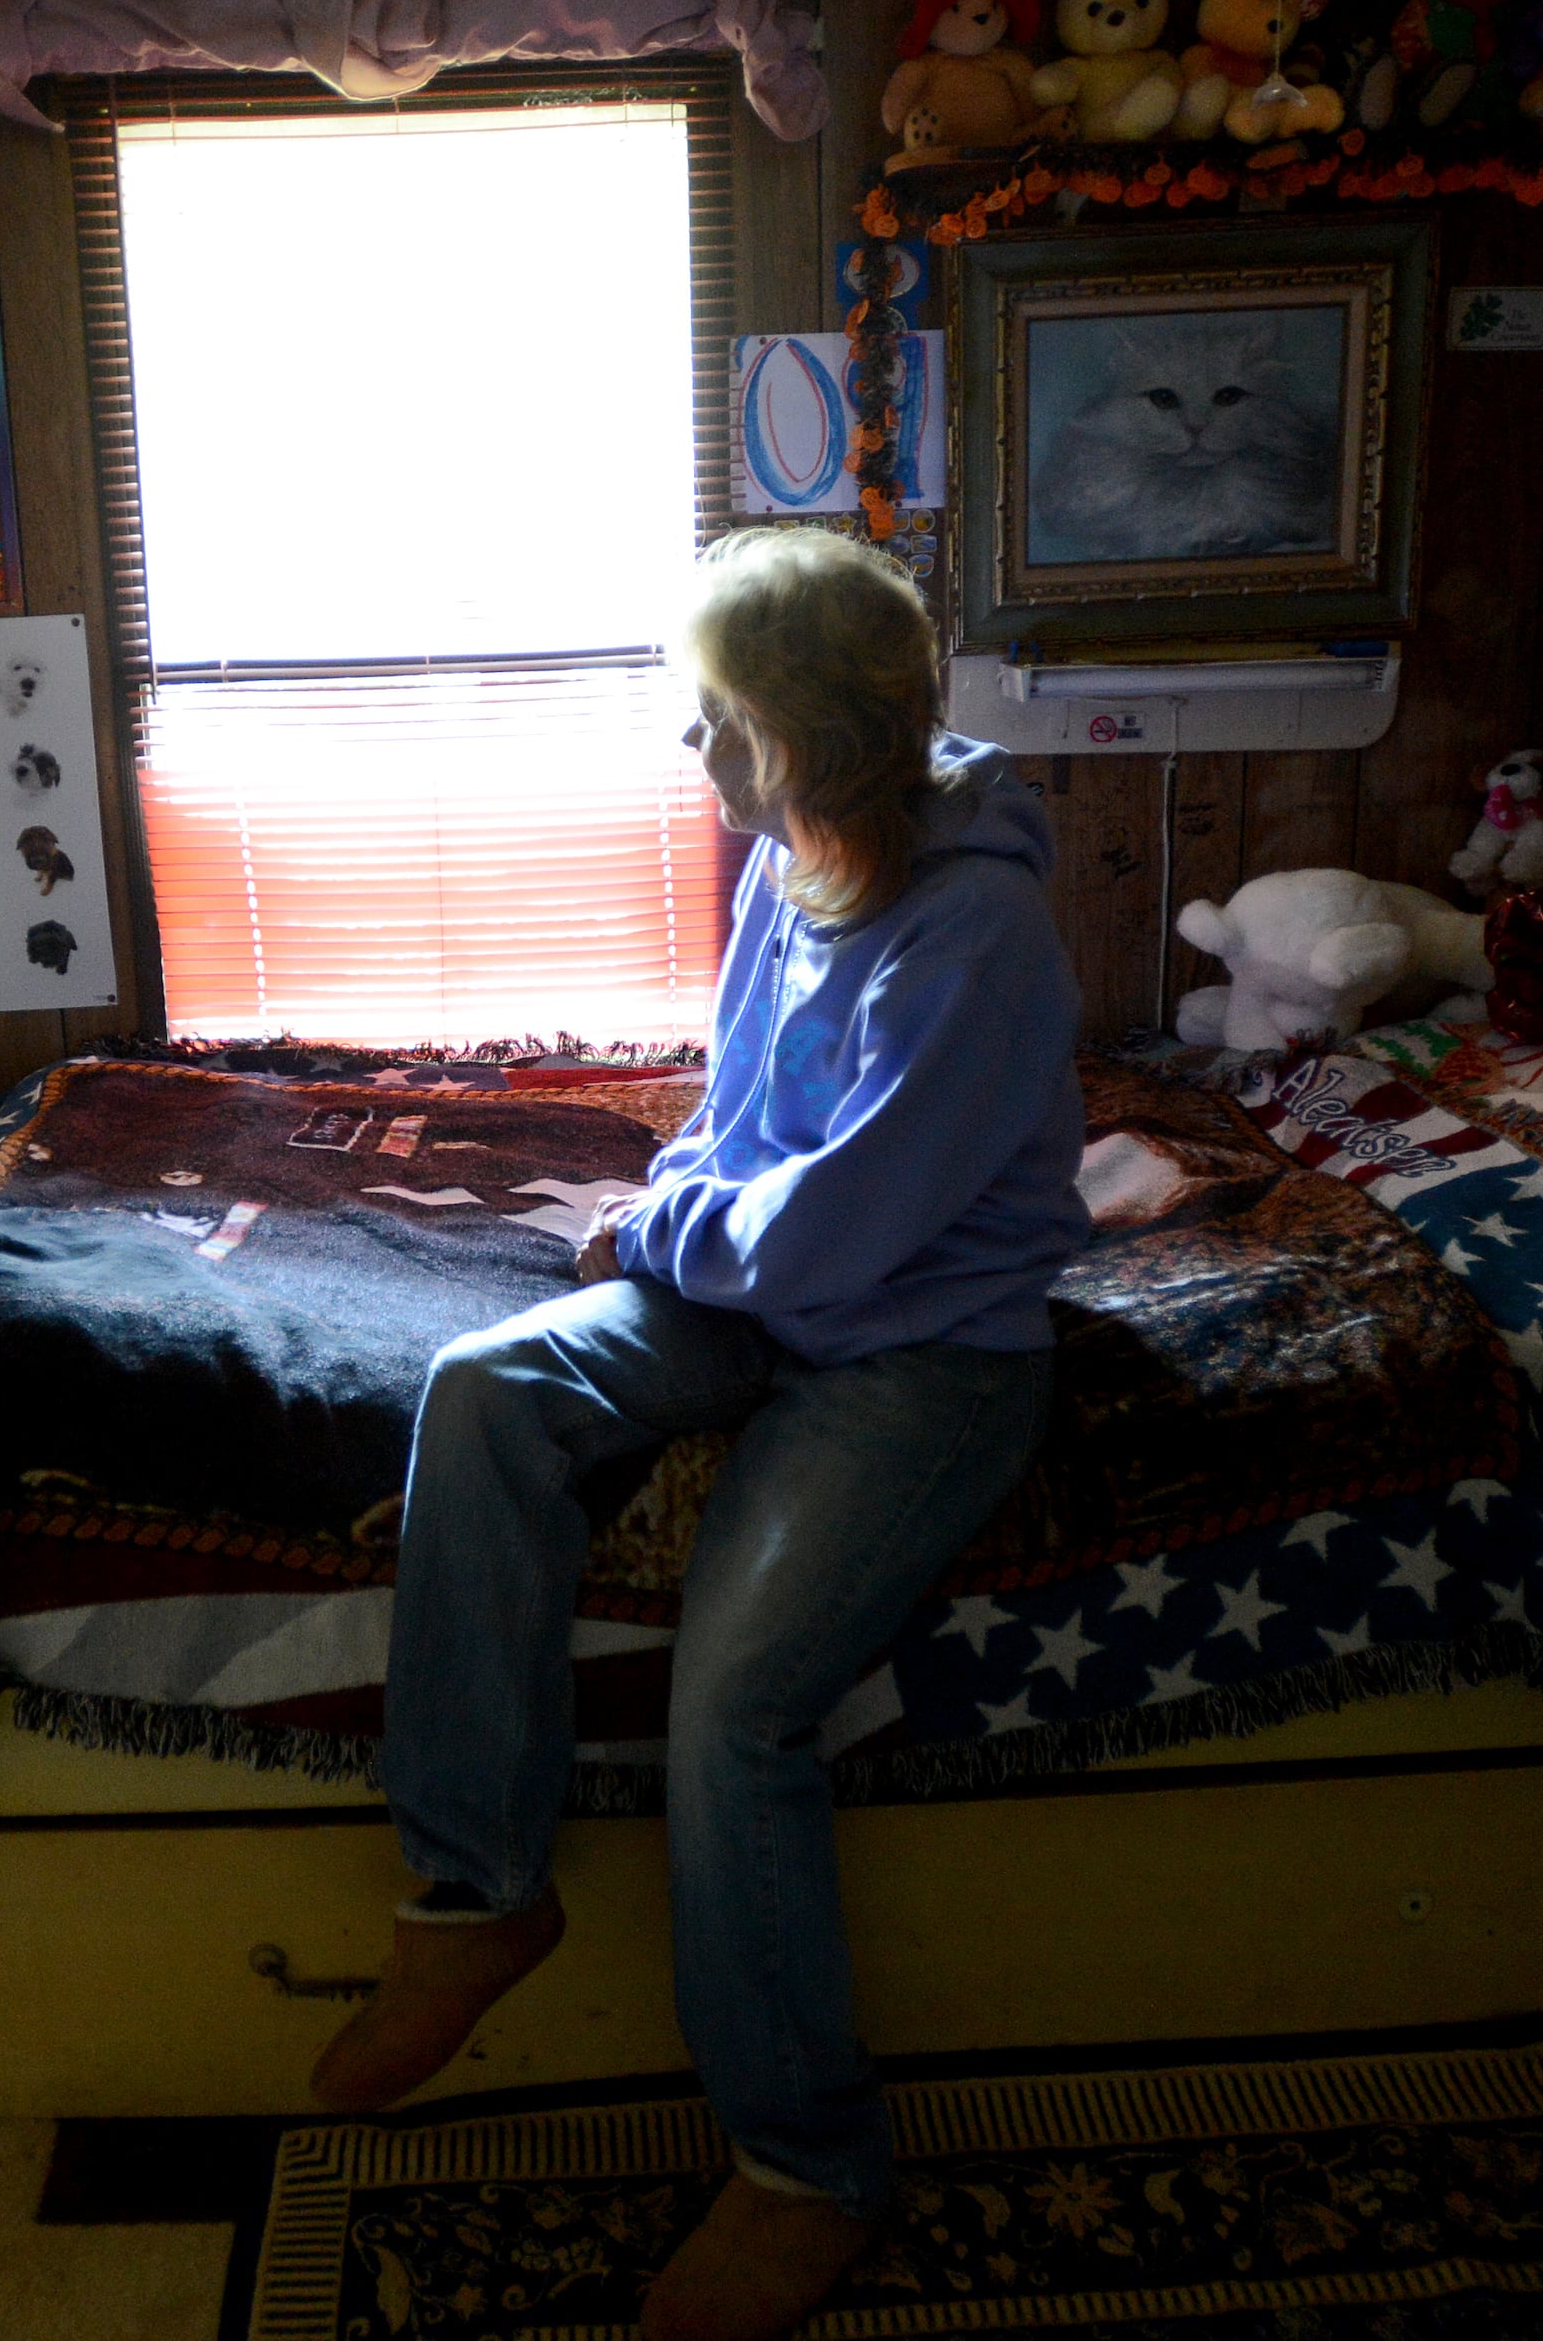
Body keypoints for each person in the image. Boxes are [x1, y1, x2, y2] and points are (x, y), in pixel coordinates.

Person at [311, 528, 1089, 2341]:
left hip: (926, 1353)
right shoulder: (785, 867)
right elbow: (733, 1123)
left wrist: (660, 1230)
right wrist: (667, 1209)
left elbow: (838, 1226)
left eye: (725, 721)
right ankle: (477, 1895)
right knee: (487, 1388)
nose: (697, 755)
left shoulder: (977, 930)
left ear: (817, 730)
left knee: (734, 1709)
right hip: (758, 1290)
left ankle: (810, 2165)